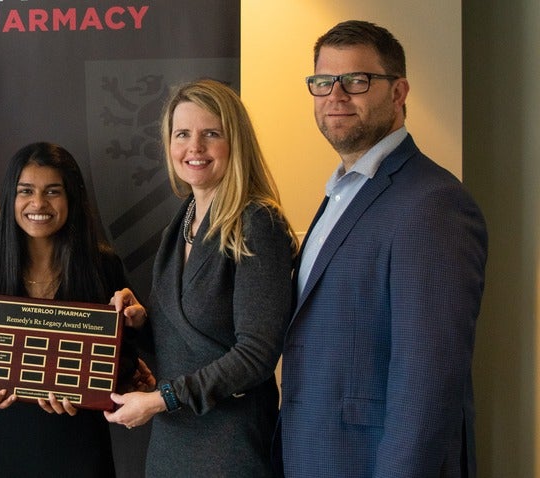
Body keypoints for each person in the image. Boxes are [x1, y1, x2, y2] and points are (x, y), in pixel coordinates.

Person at [274, 20, 488, 477]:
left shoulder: (433, 203)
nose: (335, 95)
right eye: (323, 81)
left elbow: (428, 384)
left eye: (356, 80)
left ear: (398, 92)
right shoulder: (341, 193)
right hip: (316, 457)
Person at [105, 78, 298, 477]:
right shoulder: (182, 221)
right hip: (172, 442)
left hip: (230, 446)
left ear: (236, 143)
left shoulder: (257, 223)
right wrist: (141, 322)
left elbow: (257, 355)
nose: (194, 147)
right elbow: (187, 341)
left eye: (211, 133)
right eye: (182, 134)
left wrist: (163, 398)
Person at [0, 142, 141, 477]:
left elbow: (127, 358)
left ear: (71, 198)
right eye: (26, 191)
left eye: (53, 191)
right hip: (10, 445)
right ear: (11, 198)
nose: (38, 204)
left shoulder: (103, 266)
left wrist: (87, 386)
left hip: (82, 445)